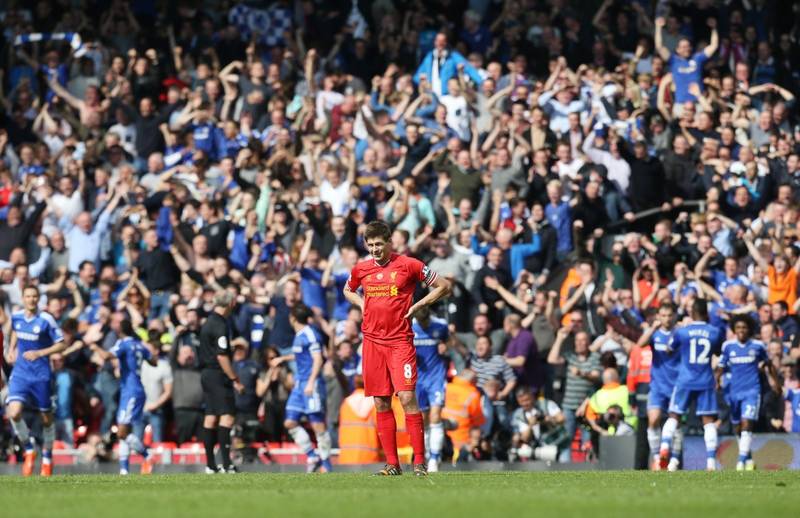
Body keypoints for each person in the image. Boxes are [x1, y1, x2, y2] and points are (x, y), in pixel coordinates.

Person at [343, 220, 452, 476]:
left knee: (406, 397)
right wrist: (361, 304)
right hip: (372, 342)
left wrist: (418, 305)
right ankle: (392, 464)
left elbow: (444, 286)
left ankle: (419, 462)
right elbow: (348, 289)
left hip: (400, 341)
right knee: (381, 402)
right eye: (370, 245)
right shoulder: (362, 269)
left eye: (379, 244)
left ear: (390, 242)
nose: (374, 250)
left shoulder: (409, 265)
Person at [5, 285, 66, 477]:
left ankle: (47, 455)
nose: (31, 299)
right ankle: (29, 447)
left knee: (46, 419)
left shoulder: (46, 319)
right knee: (13, 412)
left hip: (41, 375)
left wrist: (40, 352)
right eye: (28, 296)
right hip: (21, 373)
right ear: (22, 298)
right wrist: (11, 349)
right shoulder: (16, 316)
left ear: (38, 299)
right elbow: (15, 330)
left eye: (34, 296)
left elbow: (62, 343)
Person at [660, 299, 724, 471]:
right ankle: (710, 462)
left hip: (685, 380)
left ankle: (664, 446)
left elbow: (668, 349)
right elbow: (719, 353)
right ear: (706, 313)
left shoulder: (683, 332)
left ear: (692, 312)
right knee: (708, 421)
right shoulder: (714, 332)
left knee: (674, 415)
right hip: (705, 380)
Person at [88, 320, 158, 474]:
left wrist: (94, 346)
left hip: (131, 391)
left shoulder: (123, 344)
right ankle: (124, 470)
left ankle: (147, 455)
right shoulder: (140, 345)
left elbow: (106, 356)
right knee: (125, 430)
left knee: (121, 431)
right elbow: (154, 361)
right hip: (135, 389)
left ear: (120, 331)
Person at [271, 303, 333, 473]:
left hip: (310, 383)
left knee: (317, 424)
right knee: (290, 422)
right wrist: (283, 359)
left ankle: (326, 464)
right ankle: (312, 456)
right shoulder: (299, 335)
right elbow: (301, 354)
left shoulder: (311, 334)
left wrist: (312, 381)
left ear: (292, 318)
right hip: (300, 384)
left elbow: (318, 359)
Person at [716, 315, 781, 471]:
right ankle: (748, 459)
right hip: (733, 392)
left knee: (747, 423)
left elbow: (768, 364)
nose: (741, 331)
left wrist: (775, 383)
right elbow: (720, 367)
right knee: (738, 427)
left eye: (744, 327)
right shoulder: (728, 347)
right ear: (734, 330)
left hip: (752, 390)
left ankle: (740, 462)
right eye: (738, 328)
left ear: (749, 329)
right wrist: (716, 381)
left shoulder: (757, 346)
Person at [198, 291, 244, 474]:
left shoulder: (208, 322)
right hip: (218, 375)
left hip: (206, 374)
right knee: (227, 415)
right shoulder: (220, 325)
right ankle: (226, 464)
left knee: (211, 416)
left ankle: (210, 465)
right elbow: (221, 355)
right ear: (231, 303)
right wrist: (234, 379)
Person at [636, 303, 682, 471]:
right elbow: (639, 344)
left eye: (669, 315)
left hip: (677, 386)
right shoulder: (655, 334)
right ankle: (657, 458)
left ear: (674, 316)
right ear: (658, 317)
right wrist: (651, 328)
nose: (666, 319)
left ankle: (674, 461)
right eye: (663, 315)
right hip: (657, 386)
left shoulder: (680, 333)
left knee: (675, 425)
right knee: (653, 420)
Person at [411, 305, 450, 472]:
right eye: (421, 321)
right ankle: (425, 456)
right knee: (423, 419)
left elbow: (450, 342)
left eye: (425, 321)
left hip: (436, 378)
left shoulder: (440, 326)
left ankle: (434, 457)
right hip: (418, 380)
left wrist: (446, 347)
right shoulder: (410, 327)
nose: (424, 324)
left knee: (435, 416)